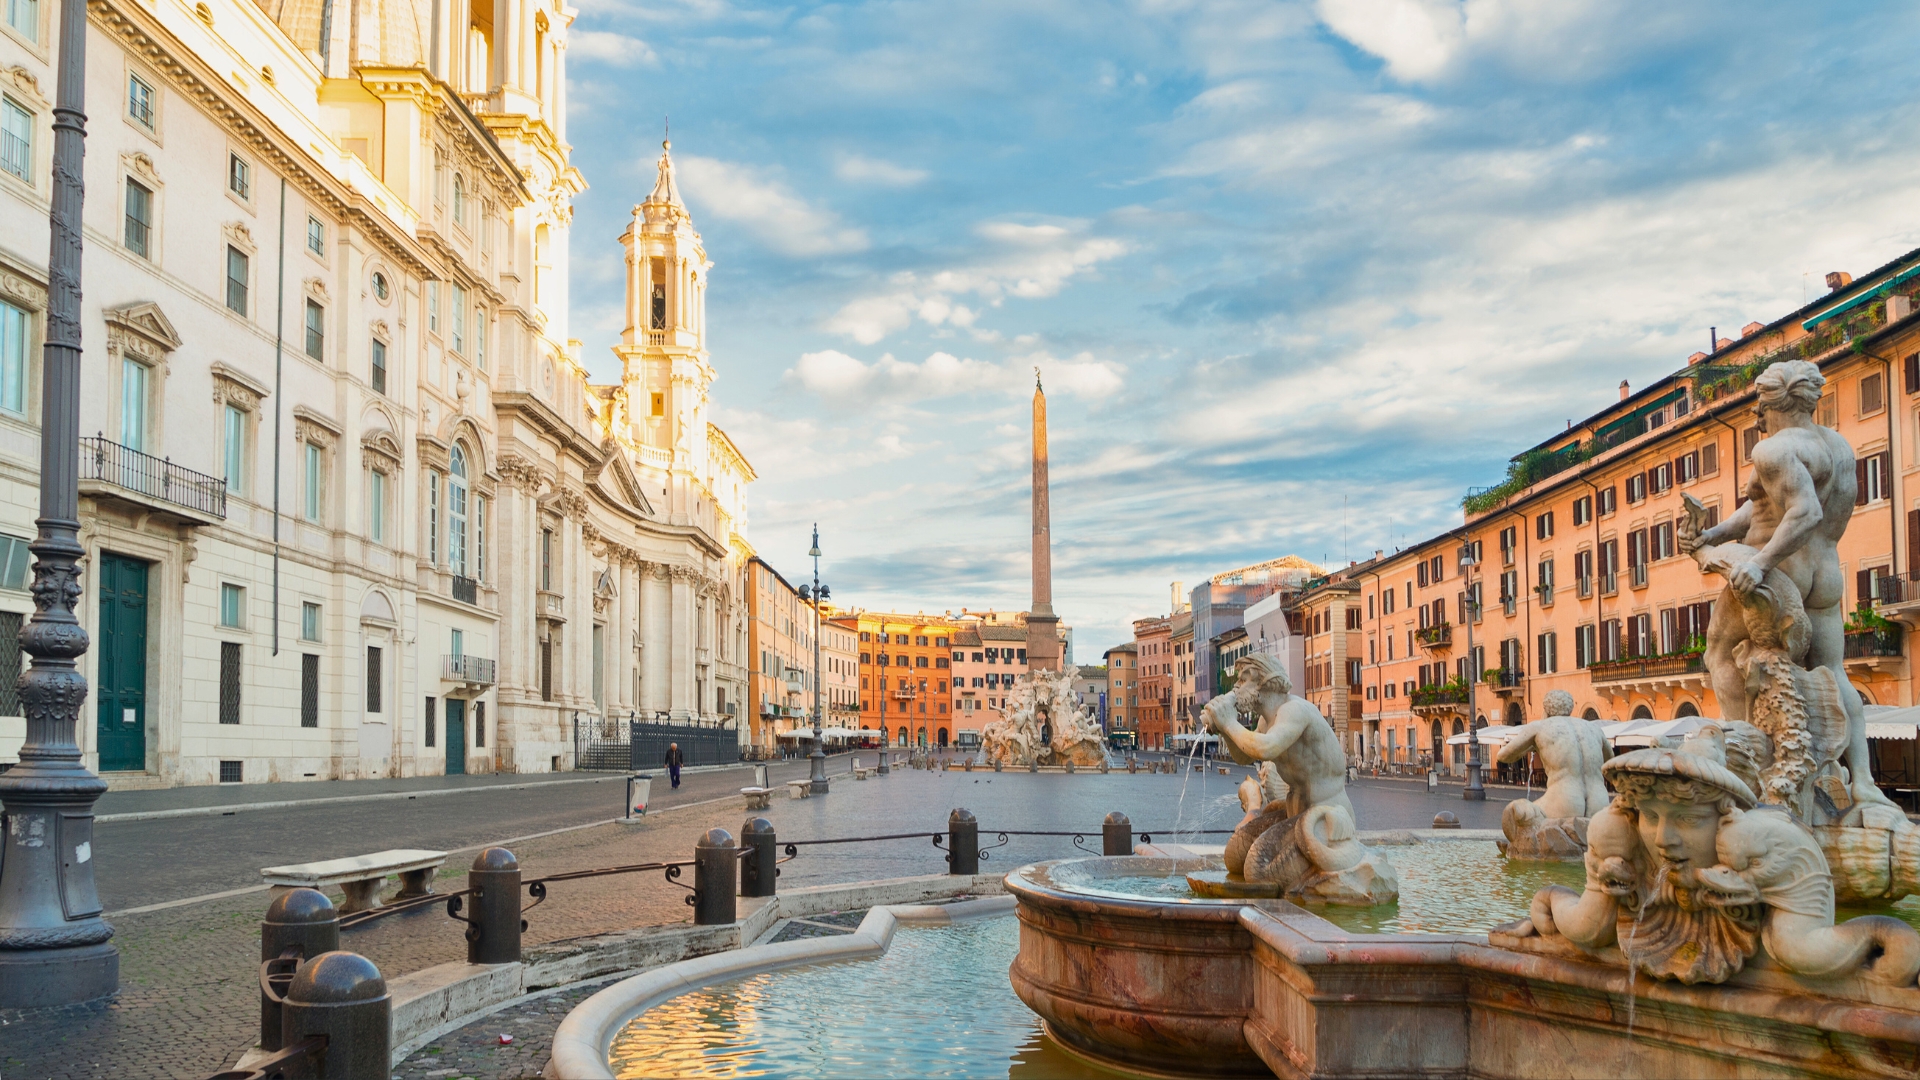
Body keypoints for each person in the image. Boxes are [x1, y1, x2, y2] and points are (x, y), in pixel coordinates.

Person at [1678, 359, 1892, 809]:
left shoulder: (1773, 450)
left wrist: (1759, 563)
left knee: (1719, 651)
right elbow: (1765, 507)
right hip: (1825, 574)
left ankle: (1746, 763)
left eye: (1759, 403)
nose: (1756, 415)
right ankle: (1865, 782)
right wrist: (1713, 534)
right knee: (1834, 672)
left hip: (1780, 572)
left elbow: (1804, 511)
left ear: (1775, 403)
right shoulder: (1838, 446)